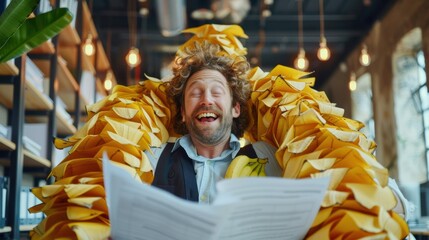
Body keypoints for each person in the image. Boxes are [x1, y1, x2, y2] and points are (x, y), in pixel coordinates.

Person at [148, 41, 282, 204]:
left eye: (217, 92)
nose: (206, 100)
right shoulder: (152, 159)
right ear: (183, 112)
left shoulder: (267, 157)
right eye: (196, 93)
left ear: (235, 109)